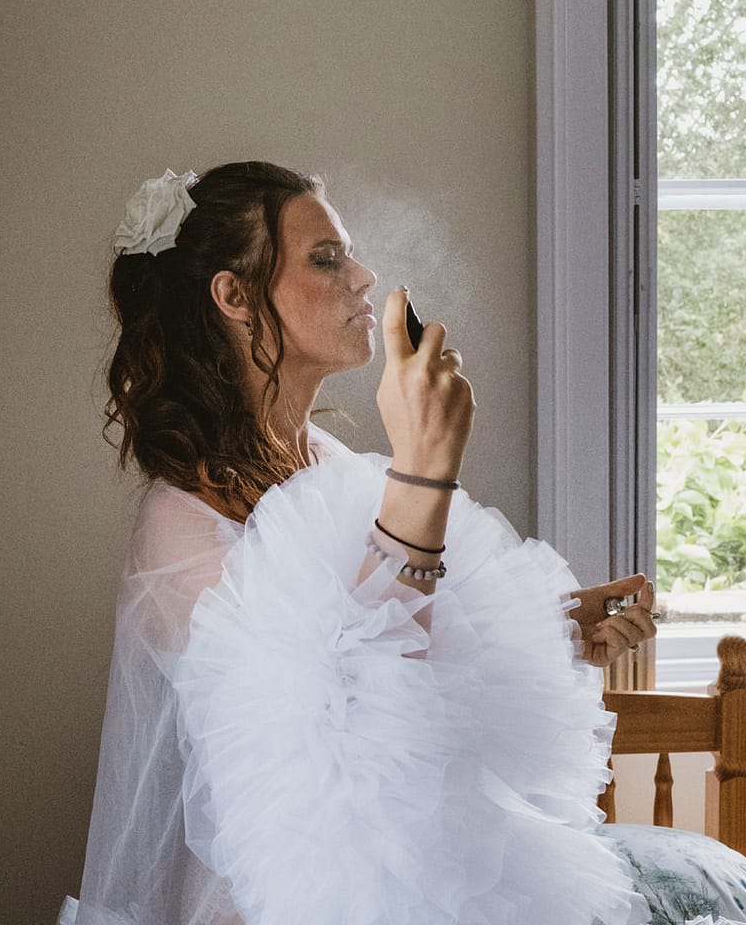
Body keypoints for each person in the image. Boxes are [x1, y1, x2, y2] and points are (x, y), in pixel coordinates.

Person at [58, 161, 673, 925]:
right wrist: (423, 470)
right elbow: (346, 726)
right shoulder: (179, 523)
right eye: (326, 258)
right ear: (234, 297)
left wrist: (553, 628)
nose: (363, 275)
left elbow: (411, 643)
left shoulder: (329, 465)